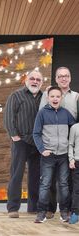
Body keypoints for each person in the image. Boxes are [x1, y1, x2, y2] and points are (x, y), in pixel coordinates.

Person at [39, 67, 79, 219]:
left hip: (70, 141)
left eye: (66, 76)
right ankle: (50, 208)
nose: (63, 78)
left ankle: (67, 209)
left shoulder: (76, 96)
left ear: (70, 78)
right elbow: (42, 115)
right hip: (51, 140)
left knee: (67, 179)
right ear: (56, 78)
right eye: (60, 76)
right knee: (50, 177)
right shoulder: (47, 94)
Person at [4, 70, 43, 218]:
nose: (35, 81)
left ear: (41, 82)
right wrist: (14, 136)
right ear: (26, 80)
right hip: (20, 141)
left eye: (38, 79)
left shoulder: (44, 97)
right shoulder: (16, 95)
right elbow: (8, 117)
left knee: (35, 175)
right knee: (16, 174)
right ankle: (13, 208)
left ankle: (33, 207)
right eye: (32, 78)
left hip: (38, 142)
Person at [33, 86, 76, 223]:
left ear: (61, 98)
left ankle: (64, 212)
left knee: (63, 184)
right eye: (52, 96)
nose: (55, 98)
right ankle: (41, 213)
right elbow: (36, 133)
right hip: (48, 155)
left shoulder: (66, 113)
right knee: (45, 184)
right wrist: (42, 149)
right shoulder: (42, 114)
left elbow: (74, 129)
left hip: (63, 155)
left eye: (58, 96)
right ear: (48, 98)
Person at [68, 122, 79, 224]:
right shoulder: (75, 127)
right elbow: (70, 144)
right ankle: (75, 213)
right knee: (76, 189)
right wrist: (71, 159)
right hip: (77, 162)